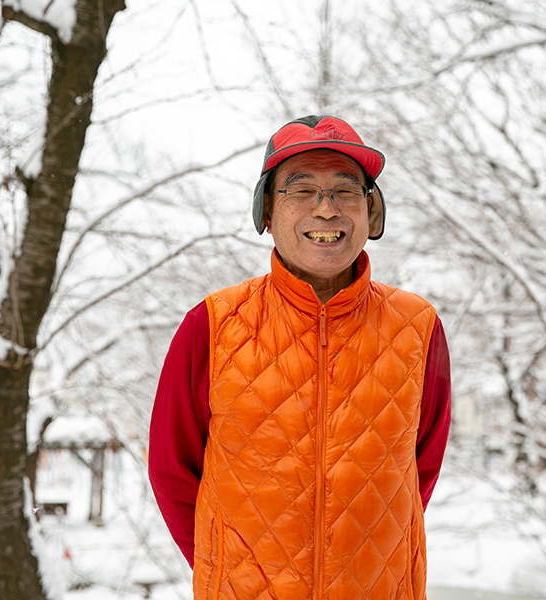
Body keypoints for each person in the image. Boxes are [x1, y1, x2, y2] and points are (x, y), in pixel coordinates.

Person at [149, 115, 451, 600]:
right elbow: (172, 470)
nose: (327, 210)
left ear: (372, 213)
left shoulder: (419, 328)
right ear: (266, 210)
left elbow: (420, 468)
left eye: (345, 192)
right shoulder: (211, 325)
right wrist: (228, 568)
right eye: (302, 189)